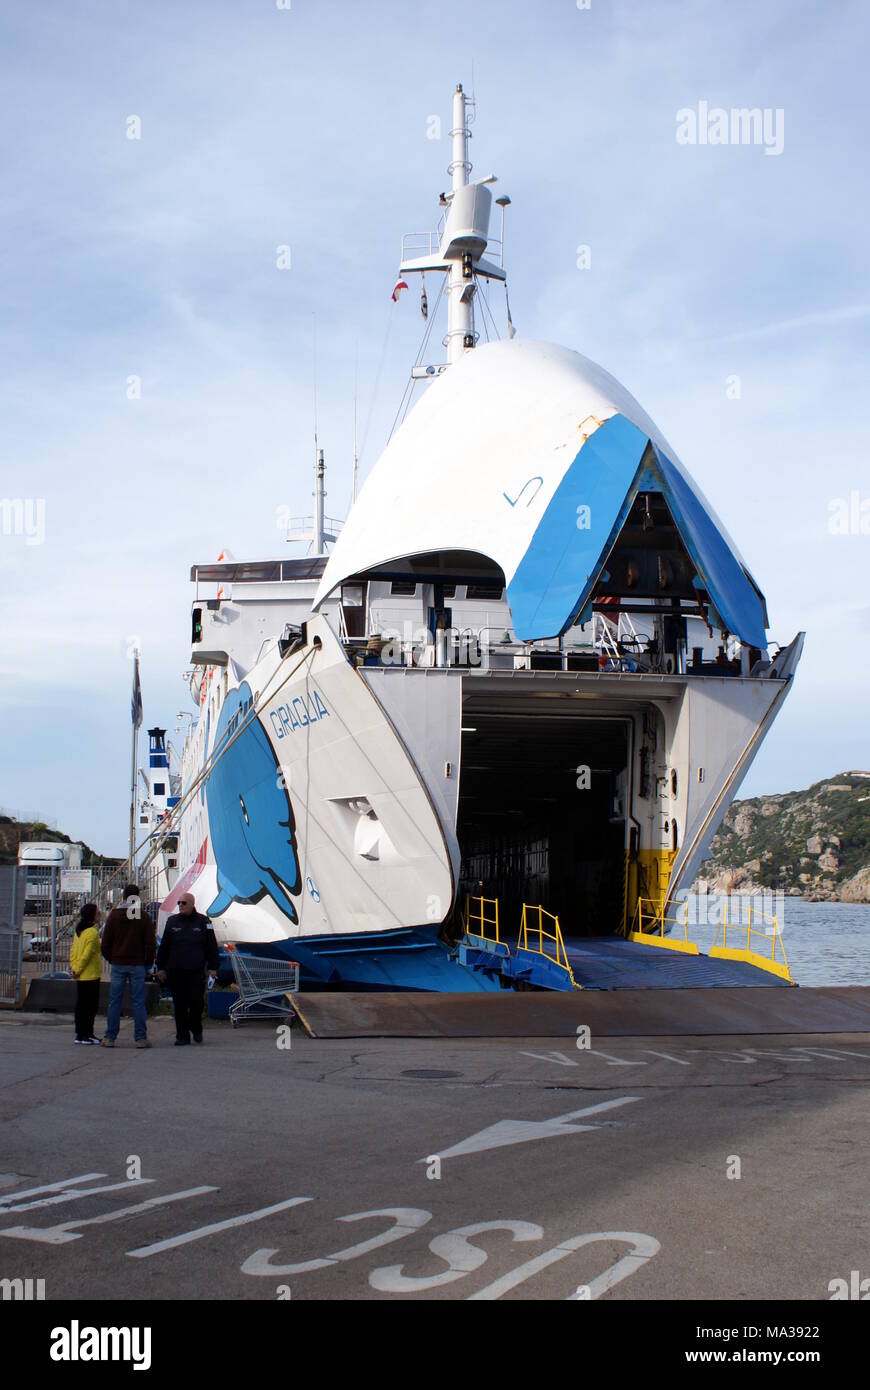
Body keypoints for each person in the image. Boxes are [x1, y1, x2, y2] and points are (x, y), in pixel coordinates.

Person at [156, 893, 219, 1046]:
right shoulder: (172, 922)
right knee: (180, 1004)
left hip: (196, 971)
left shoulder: (204, 922)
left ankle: (196, 1027)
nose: (181, 906)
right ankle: (182, 1035)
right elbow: (164, 947)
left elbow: (211, 946)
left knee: (197, 1003)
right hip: (176, 971)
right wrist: (161, 968)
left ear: (192, 904)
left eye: (184, 903)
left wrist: (213, 967)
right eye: (179, 903)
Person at [100, 883, 156, 1049]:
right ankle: (140, 1038)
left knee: (114, 1002)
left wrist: (112, 958)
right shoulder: (143, 917)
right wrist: (147, 963)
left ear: (123, 897)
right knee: (138, 1002)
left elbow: (105, 944)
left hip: (118, 963)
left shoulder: (114, 916)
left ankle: (110, 1037)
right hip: (137, 964)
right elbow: (150, 944)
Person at [69, 902, 102, 1045]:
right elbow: (87, 955)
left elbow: (74, 951)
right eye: (98, 913)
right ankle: (86, 1034)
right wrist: (78, 969)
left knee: (81, 1006)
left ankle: (82, 1033)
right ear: (93, 916)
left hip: (80, 975)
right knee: (90, 1007)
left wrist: (74, 968)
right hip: (90, 974)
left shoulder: (79, 932)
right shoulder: (93, 933)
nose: (100, 915)